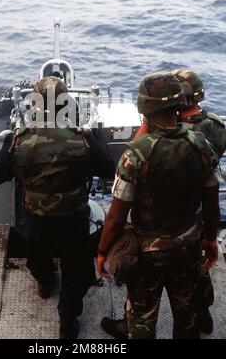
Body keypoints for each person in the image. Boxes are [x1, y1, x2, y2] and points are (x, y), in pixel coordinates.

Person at [97, 72, 220, 339]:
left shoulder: (136, 153)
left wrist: (102, 251)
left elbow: (117, 216)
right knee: (186, 318)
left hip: (147, 252)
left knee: (142, 321)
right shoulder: (201, 145)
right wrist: (210, 239)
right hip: (187, 245)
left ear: (145, 106)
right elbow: (211, 202)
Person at [0, 76, 115, 339]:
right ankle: (68, 318)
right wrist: (89, 135)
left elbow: (1, 173)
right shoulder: (80, 139)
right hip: (73, 216)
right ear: (66, 105)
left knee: (37, 253)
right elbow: (108, 169)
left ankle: (45, 283)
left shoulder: (21, 138)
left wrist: (10, 142)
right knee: (76, 264)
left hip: (36, 216)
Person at [171, 69, 226, 333]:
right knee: (199, 267)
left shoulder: (174, 133)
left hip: (176, 213)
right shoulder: (216, 124)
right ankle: (204, 314)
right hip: (205, 208)